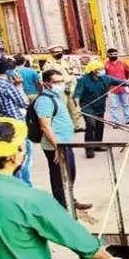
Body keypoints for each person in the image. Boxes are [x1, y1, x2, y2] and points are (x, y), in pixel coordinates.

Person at [0, 118, 128, 259]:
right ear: (13, 157)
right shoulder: (30, 200)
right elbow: (76, 238)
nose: (25, 152)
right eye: (23, 148)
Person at [36, 69, 92, 210]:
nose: (60, 85)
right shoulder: (44, 100)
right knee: (59, 178)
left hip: (65, 144)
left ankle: (70, 199)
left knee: (69, 174)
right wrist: (57, 148)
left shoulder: (56, 96)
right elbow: (45, 126)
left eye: (61, 81)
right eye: (56, 82)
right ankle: (62, 207)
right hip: (56, 146)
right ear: (46, 83)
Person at [73, 60, 129, 158]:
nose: (102, 70)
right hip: (87, 106)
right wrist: (77, 106)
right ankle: (89, 149)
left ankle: (98, 145)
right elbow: (77, 94)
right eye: (100, 69)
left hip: (100, 106)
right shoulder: (83, 80)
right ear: (93, 71)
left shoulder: (106, 78)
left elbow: (122, 83)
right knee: (91, 125)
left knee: (99, 126)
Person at [0, 57, 32, 186]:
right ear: (9, 71)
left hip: (1, 124)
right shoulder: (7, 86)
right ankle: (25, 185)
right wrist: (19, 86)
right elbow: (24, 103)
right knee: (24, 158)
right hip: (16, 124)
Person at [43, 45, 84, 132]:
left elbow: (74, 71)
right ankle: (64, 127)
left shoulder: (67, 60)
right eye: (56, 52)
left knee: (74, 108)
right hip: (59, 89)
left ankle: (76, 126)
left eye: (60, 51)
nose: (59, 54)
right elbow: (47, 77)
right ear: (52, 53)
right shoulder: (49, 64)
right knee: (61, 109)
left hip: (71, 87)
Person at [104, 48, 129, 126]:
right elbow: (103, 77)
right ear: (108, 55)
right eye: (111, 54)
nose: (113, 56)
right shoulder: (106, 65)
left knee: (126, 104)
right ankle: (115, 122)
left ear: (117, 54)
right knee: (114, 106)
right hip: (112, 89)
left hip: (123, 88)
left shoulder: (123, 63)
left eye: (115, 54)